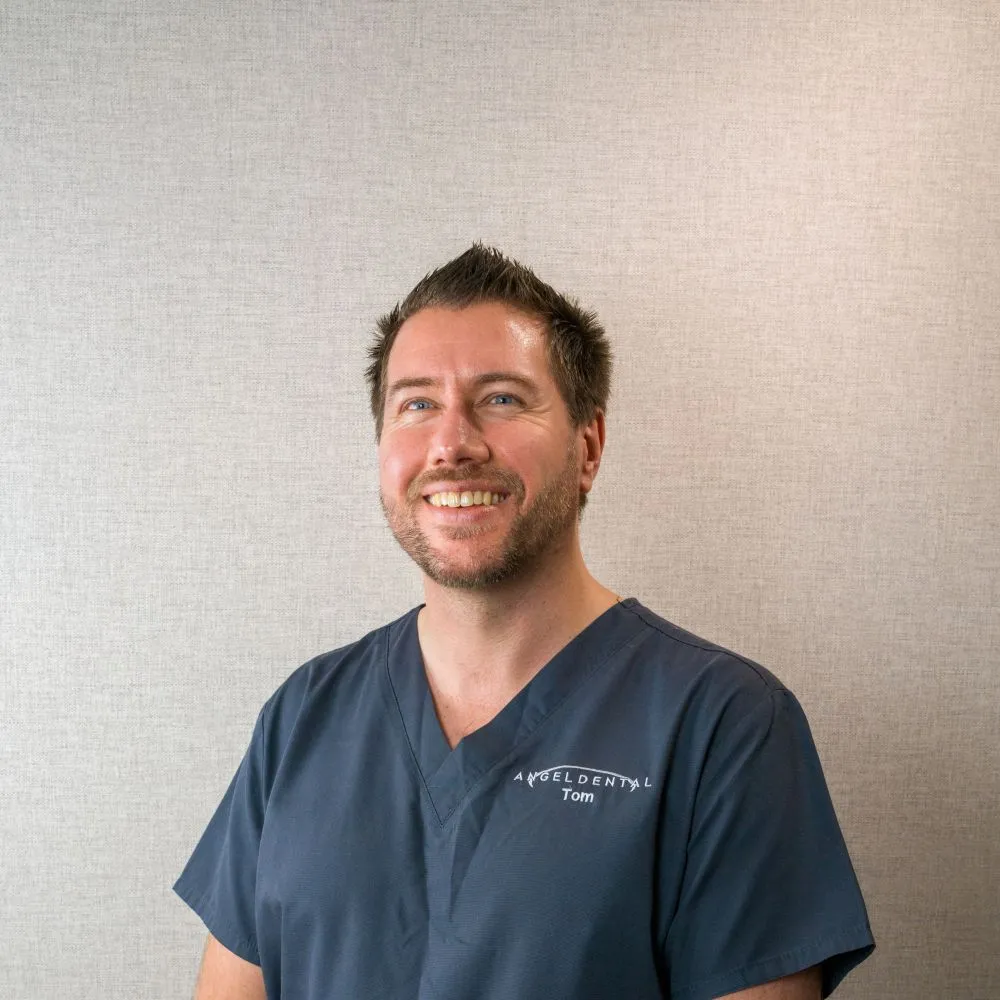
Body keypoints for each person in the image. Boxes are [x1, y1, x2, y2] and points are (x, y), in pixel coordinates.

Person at [174, 245, 875, 999]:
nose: (451, 443)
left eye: (502, 399)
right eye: (415, 404)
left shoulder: (722, 725)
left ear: (588, 447)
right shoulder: (304, 715)